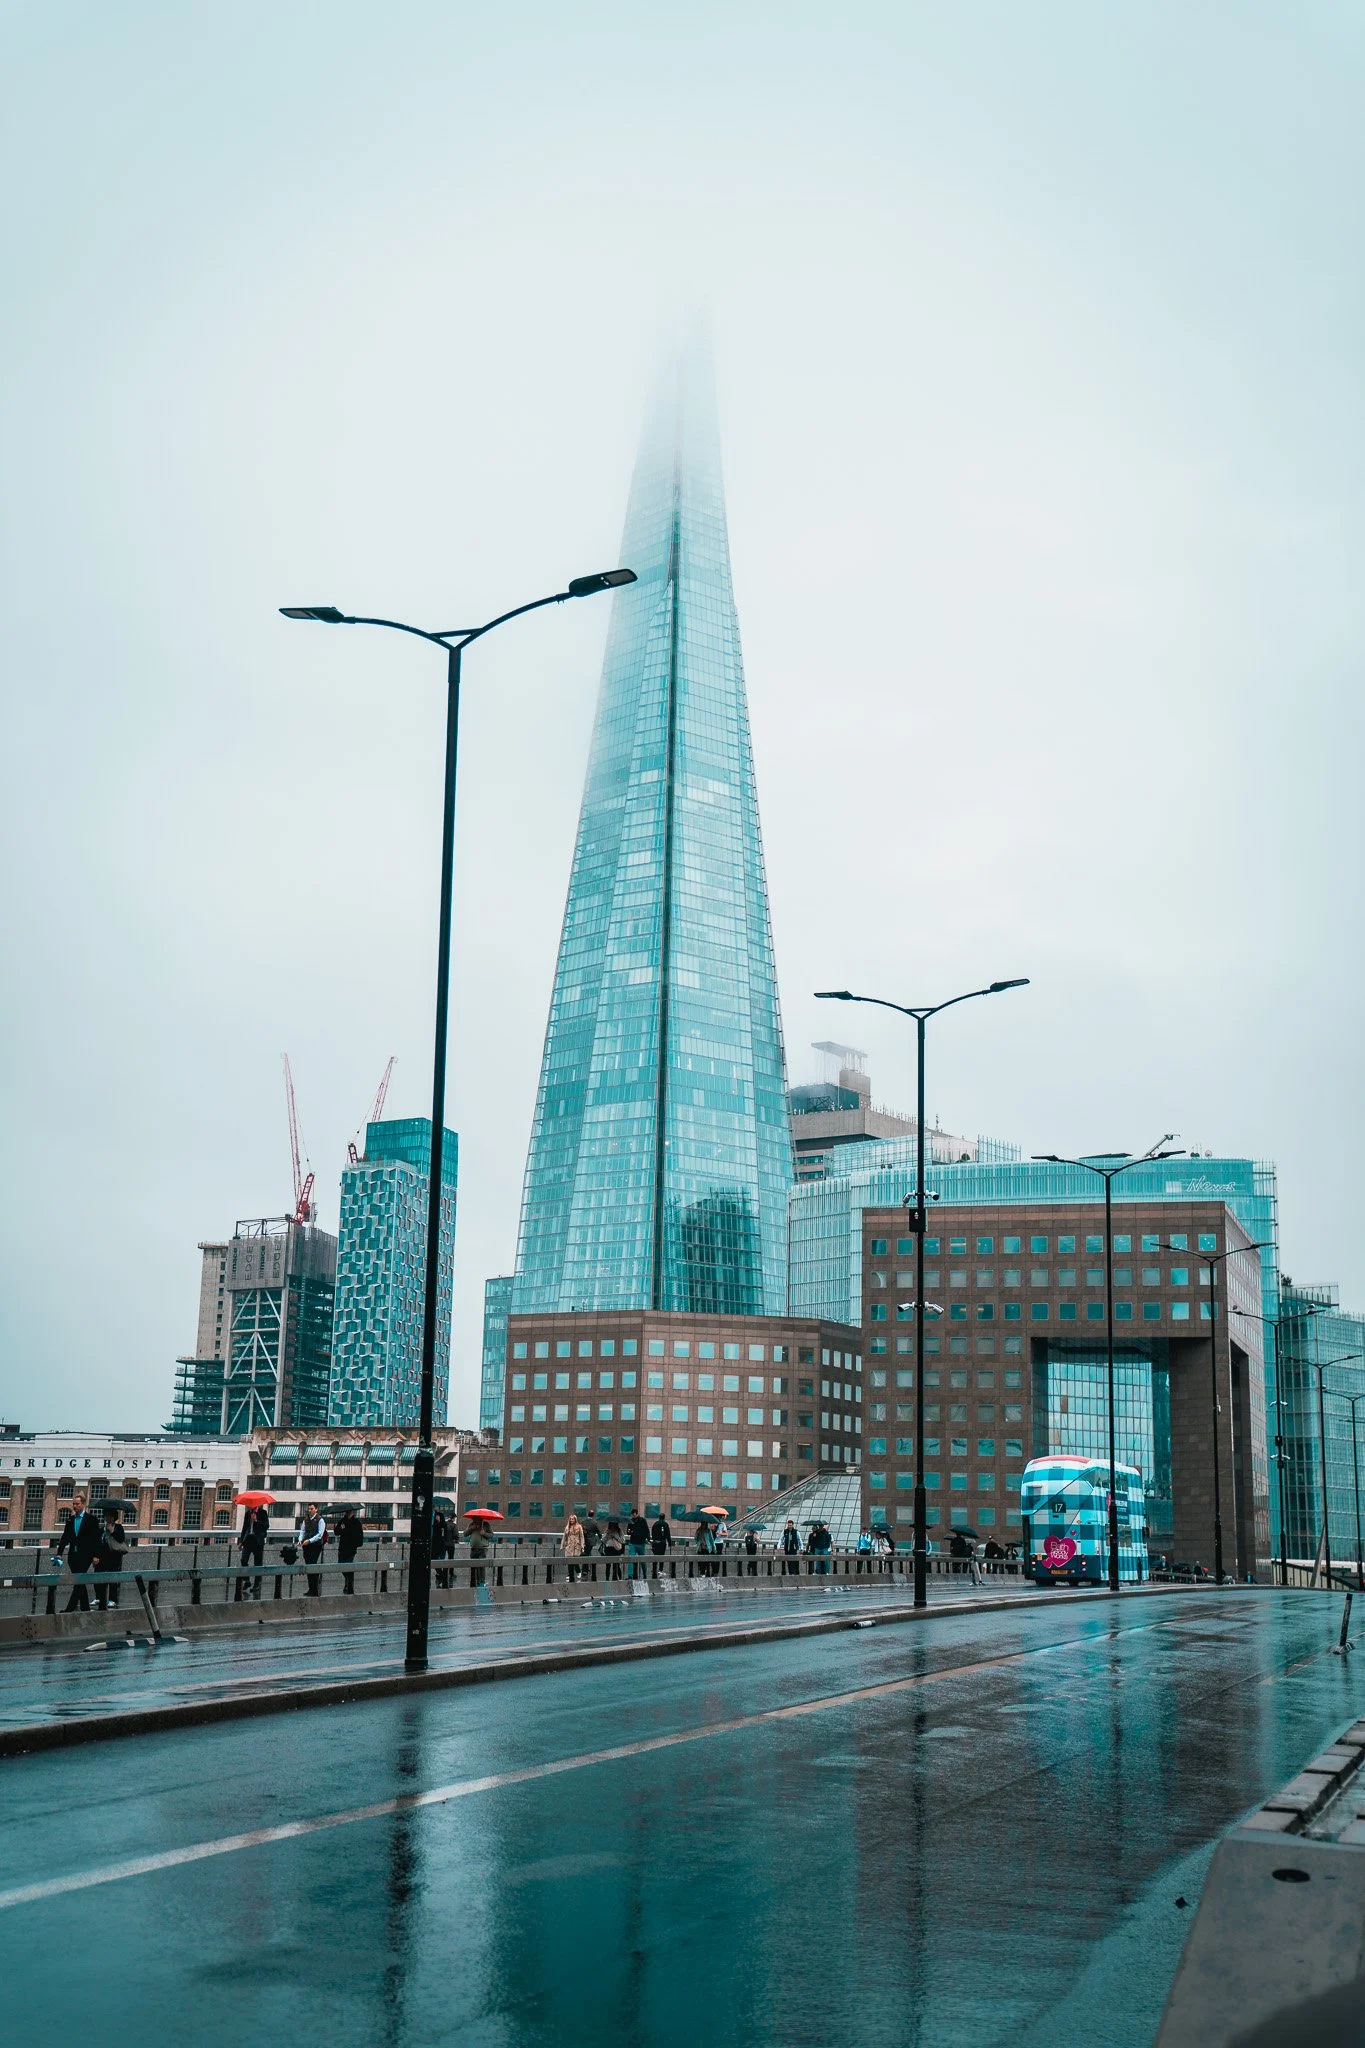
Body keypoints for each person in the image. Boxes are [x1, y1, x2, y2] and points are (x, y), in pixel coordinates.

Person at [55, 1493, 103, 1612]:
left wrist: (96, 1555)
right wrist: (59, 1553)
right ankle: (85, 1608)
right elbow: (65, 1537)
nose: (75, 1506)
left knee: (78, 1580)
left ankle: (69, 1609)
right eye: (73, 1504)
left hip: (85, 1555)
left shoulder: (91, 1519)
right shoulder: (70, 1520)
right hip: (73, 1556)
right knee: (79, 1582)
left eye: (77, 1504)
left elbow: (96, 1539)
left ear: (83, 1504)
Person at [97, 1500, 130, 1610]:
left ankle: (113, 1599)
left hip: (114, 1557)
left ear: (114, 1517)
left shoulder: (118, 1527)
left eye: (110, 1516)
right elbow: (98, 1542)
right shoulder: (101, 1528)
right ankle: (100, 1598)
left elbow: (121, 1539)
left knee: (113, 1579)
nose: (108, 1518)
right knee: (99, 1579)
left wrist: (112, 1531)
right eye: (106, 1516)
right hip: (102, 1558)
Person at [235, 1501, 269, 1601]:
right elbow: (244, 1527)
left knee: (258, 1563)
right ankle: (247, 1580)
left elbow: (266, 1526)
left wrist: (256, 1520)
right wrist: (241, 1542)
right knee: (243, 1560)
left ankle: (257, 1584)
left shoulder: (263, 1513)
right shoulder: (248, 1513)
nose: (252, 1507)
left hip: (258, 1541)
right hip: (248, 1540)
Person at [295, 1502, 327, 1597]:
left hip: (315, 1546)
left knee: (312, 1565)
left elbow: (320, 1534)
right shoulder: (306, 1520)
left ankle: (315, 1589)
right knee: (308, 1566)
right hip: (306, 1546)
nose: (310, 1510)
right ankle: (311, 1589)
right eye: (309, 1509)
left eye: (312, 1509)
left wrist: (309, 1540)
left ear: (316, 1509)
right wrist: (300, 1540)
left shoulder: (320, 1520)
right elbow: (302, 1531)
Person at [336, 1506, 365, 1594]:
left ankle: (349, 1586)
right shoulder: (342, 1521)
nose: (347, 1513)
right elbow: (336, 1532)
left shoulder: (356, 1522)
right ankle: (348, 1582)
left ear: (353, 1512)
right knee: (341, 1566)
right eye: (346, 1512)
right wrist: (341, 1528)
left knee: (348, 1566)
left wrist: (346, 1530)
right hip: (342, 1548)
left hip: (351, 1549)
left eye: (349, 1512)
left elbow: (358, 1536)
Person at [625, 1506, 651, 1579]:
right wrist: (630, 1532)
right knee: (631, 1559)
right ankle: (630, 1575)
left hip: (641, 1543)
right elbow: (628, 1532)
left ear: (637, 1514)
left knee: (642, 1560)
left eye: (634, 1514)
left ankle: (645, 1574)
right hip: (633, 1543)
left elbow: (646, 1530)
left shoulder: (642, 1520)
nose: (633, 1516)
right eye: (632, 1515)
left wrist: (648, 1539)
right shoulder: (630, 1521)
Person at [561, 1511, 585, 1582]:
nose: (571, 1520)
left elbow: (582, 1537)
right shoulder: (567, 1527)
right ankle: (569, 1574)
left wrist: (582, 1546)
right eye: (570, 1519)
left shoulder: (579, 1526)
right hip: (569, 1546)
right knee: (569, 1561)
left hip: (577, 1546)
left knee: (575, 1560)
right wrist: (562, 1545)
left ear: (575, 1520)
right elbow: (564, 1537)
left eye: (573, 1519)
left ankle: (578, 1572)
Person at [467, 1517, 489, 1590]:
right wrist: (472, 1528)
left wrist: (484, 1533)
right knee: (473, 1566)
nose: (474, 1520)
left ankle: (481, 1582)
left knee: (481, 1566)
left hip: (482, 1549)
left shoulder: (486, 1525)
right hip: (473, 1549)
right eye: (473, 1519)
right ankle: (473, 1583)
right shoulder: (471, 1524)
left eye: (475, 1519)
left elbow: (491, 1535)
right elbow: (465, 1534)